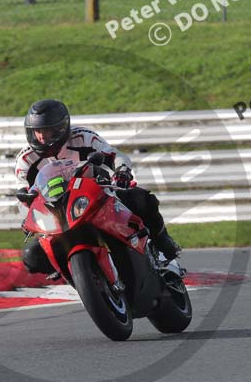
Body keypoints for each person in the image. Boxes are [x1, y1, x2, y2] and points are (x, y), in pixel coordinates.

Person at [14, 99, 181, 275]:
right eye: (37, 131)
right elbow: (23, 195)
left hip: (95, 197)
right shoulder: (25, 159)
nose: (41, 136)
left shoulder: (83, 137)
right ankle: (71, 272)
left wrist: (122, 171)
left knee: (139, 198)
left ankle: (162, 241)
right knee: (32, 256)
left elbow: (115, 155)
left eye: (46, 130)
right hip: (56, 213)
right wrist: (27, 218)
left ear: (60, 128)